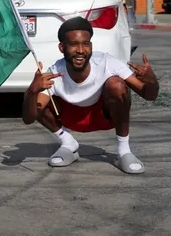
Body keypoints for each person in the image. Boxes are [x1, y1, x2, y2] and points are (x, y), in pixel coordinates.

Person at [22, 16, 159, 174]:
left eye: (85, 44)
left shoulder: (107, 62)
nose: (80, 50)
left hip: (103, 117)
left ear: (91, 45)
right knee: (33, 99)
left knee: (116, 84)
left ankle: (124, 152)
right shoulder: (55, 72)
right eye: (73, 44)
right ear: (61, 47)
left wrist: (152, 81)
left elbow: (149, 95)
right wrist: (32, 91)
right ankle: (68, 144)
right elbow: (29, 118)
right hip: (71, 118)